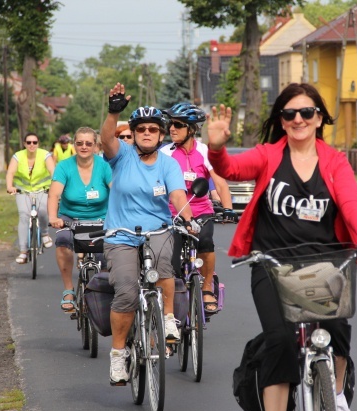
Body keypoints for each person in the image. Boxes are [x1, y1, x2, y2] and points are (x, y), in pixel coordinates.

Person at [206, 83, 357, 411]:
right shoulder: (268, 156)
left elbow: (351, 205)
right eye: (290, 113)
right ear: (282, 119)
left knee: (336, 327)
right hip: (272, 264)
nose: (299, 119)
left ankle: (335, 401)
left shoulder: (335, 162)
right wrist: (216, 148)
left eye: (307, 112)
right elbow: (230, 170)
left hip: (326, 263)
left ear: (319, 118)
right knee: (279, 341)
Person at [100, 82, 199, 385]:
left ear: (160, 134)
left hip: (156, 230)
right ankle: (118, 356)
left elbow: (179, 196)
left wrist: (188, 220)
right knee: (127, 291)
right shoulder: (122, 156)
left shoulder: (168, 165)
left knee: (164, 263)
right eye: (140, 128)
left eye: (152, 129)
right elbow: (106, 140)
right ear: (134, 131)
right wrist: (112, 113)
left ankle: (168, 318)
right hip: (120, 235)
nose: (146, 132)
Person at [161, 102, 237, 315]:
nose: (171, 129)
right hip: (173, 213)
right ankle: (175, 296)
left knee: (206, 242)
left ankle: (206, 287)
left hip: (201, 210)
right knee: (172, 260)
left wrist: (228, 208)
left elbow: (220, 183)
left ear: (191, 129)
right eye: (170, 124)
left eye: (177, 124)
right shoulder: (165, 153)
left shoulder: (204, 151)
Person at [48, 127, 112, 312]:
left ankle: (105, 292)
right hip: (70, 218)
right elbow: (54, 195)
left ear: (95, 146)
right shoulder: (64, 166)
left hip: (102, 218)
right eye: (79, 143)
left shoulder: (104, 166)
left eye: (88, 143)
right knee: (62, 241)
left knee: (107, 253)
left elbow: (116, 190)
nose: (84, 146)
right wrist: (53, 217)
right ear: (74, 145)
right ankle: (68, 290)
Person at [6, 132, 56, 263]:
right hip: (23, 191)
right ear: (24, 144)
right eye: (29, 142)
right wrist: (10, 186)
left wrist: (55, 186)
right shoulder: (18, 156)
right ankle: (23, 251)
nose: (32, 145)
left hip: (42, 190)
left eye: (34, 142)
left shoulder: (45, 155)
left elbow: (53, 171)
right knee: (23, 216)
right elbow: (10, 172)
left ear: (38, 144)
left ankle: (45, 234)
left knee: (44, 210)